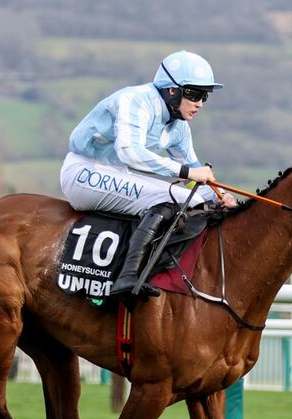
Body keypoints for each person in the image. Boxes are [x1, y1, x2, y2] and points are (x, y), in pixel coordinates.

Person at [60, 50, 237, 298]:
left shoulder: (180, 127)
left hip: (117, 174)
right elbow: (130, 152)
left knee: (200, 201)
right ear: (171, 90)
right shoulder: (138, 101)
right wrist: (188, 172)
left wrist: (221, 197)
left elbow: (198, 175)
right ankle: (128, 277)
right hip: (84, 172)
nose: (200, 103)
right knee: (175, 198)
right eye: (194, 94)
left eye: (204, 96)